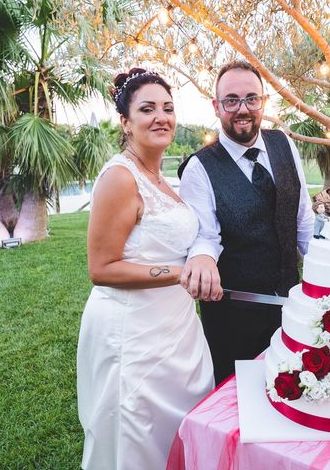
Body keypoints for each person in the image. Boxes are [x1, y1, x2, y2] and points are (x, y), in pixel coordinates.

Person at [77, 68, 214, 470]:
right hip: (131, 335)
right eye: (148, 109)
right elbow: (101, 268)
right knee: (135, 440)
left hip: (177, 330)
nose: (162, 117)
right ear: (125, 121)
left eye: (168, 108)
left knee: (177, 434)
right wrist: (180, 275)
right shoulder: (120, 177)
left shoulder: (165, 179)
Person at [178, 60, 314, 383]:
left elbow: (303, 220)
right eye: (231, 100)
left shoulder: (284, 144)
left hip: (291, 309)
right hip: (233, 320)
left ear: (263, 102)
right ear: (216, 106)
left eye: (252, 99)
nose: (243, 109)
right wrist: (201, 256)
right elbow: (205, 236)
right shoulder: (198, 168)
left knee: (297, 391)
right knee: (240, 405)